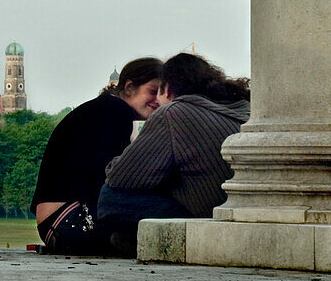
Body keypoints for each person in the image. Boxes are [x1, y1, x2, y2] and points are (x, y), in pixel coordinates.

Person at [96, 52, 251, 255]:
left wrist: (135, 146)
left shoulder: (173, 113)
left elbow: (118, 177)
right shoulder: (242, 109)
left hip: (206, 215)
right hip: (239, 210)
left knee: (111, 197)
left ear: (167, 89)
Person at [31, 57, 162, 253]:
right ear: (129, 87)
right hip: (67, 219)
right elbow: (116, 177)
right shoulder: (116, 112)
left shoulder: (103, 109)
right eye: (152, 91)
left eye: (162, 94)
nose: (157, 101)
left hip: (55, 221)